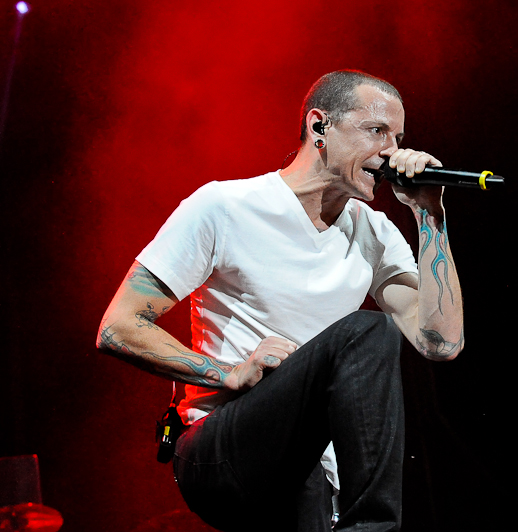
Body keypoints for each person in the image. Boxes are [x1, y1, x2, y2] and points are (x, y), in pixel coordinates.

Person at [97, 70, 464, 531]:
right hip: (220, 446)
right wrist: (228, 373)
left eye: (399, 137)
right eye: (376, 131)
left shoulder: (375, 231)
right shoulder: (225, 206)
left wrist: (430, 213)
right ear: (319, 127)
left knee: (312, 471)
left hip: (309, 469)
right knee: (369, 329)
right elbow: (119, 326)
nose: (392, 151)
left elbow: (440, 343)